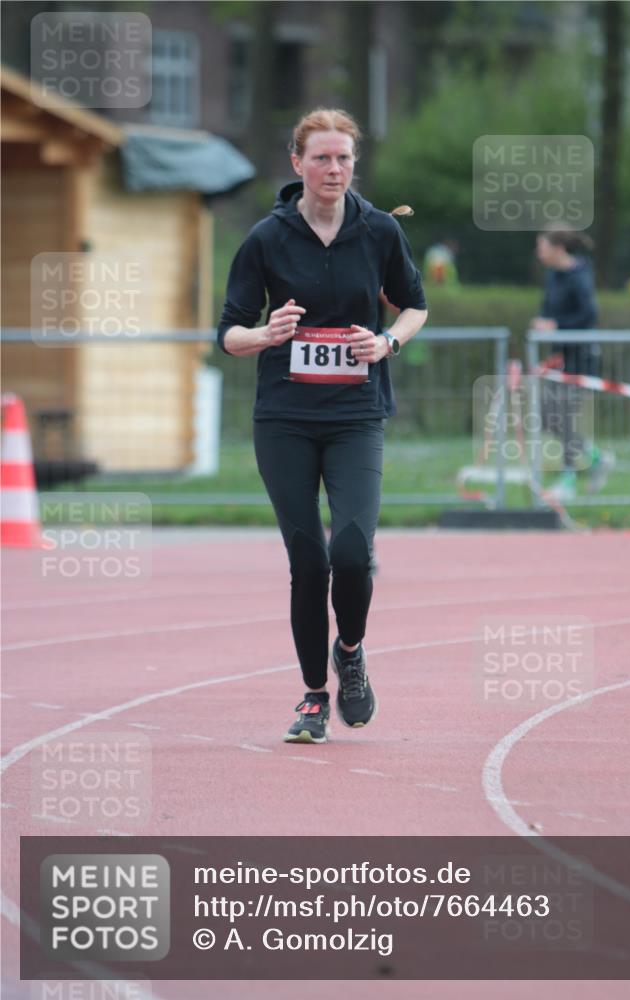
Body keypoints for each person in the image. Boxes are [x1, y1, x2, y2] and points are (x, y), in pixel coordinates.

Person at [217, 108, 428, 744]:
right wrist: (266, 333)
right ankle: (313, 696)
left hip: (355, 415)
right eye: (321, 159)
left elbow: (415, 305)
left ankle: (352, 651)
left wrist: (388, 342)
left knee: (353, 554)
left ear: (354, 164)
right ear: (297, 164)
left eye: (343, 159)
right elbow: (227, 332)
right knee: (308, 561)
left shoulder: (381, 231)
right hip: (284, 418)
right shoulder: (267, 238)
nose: (334, 169)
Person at [531, 228, 613, 501]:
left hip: (583, 360)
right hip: (561, 359)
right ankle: (596, 458)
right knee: (546, 415)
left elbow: (589, 316)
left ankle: (567, 480)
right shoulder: (553, 277)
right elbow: (548, 312)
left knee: (563, 414)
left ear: (558, 248)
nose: (538, 252)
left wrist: (556, 326)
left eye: (542, 246)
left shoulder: (580, 276)